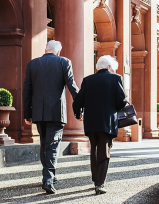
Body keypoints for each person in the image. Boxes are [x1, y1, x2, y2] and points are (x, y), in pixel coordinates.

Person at [23, 40, 79, 194]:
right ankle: (48, 180)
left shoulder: (33, 64)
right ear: (58, 51)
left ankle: (50, 176)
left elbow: (26, 90)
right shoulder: (64, 62)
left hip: (39, 113)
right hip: (56, 113)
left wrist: (27, 113)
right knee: (53, 145)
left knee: (45, 144)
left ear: (46, 50)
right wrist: (81, 104)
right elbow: (71, 85)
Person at [73, 55, 127, 195]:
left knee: (94, 150)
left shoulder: (87, 80)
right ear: (109, 67)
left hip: (91, 121)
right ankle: (99, 183)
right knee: (104, 152)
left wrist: (78, 114)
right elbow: (122, 101)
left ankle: (95, 178)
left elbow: (78, 101)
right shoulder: (116, 78)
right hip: (107, 121)